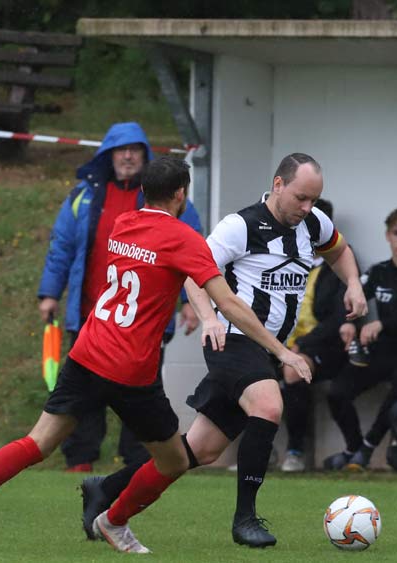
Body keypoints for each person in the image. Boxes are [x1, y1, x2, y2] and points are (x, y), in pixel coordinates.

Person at [0, 156, 312, 554]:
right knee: (173, 461)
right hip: (131, 371)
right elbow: (227, 302)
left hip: (87, 353)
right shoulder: (183, 238)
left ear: (142, 191)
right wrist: (280, 350)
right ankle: (114, 520)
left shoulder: (123, 224)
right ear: (180, 194)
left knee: (37, 442)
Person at [79, 153, 367, 548]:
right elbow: (194, 273)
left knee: (199, 450)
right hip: (231, 341)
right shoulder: (240, 226)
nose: (307, 208)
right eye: (301, 197)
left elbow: (339, 251)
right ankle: (245, 520)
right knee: (268, 406)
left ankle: (106, 489)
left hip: (264, 350)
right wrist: (209, 318)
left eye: (313, 200)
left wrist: (353, 284)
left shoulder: (313, 223)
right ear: (278, 185)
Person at [37, 122, 204, 472]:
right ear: (108, 156)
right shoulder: (84, 195)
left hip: (144, 326)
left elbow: (194, 253)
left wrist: (190, 303)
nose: (127, 156)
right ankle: (79, 463)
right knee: (81, 403)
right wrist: (50, 293)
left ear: (144, 156)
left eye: (134, 150)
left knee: (140, 402)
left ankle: (135, 469)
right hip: (89, 318)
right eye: (120, 150)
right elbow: (62, 246)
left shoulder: (170, 199)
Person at [323, 208, 397, 471]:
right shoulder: (378, 272)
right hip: (382, 352)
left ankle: (367, 449)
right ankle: (353, 446)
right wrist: (349, 322)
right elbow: (352, 298)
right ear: (388, 235)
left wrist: (382, 323)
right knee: (337, 391)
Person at [279, 199, 349, 472]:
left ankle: (295, 451)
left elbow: (338, 319)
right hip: (282, 343)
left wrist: (301, 344)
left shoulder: (340, 261)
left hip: (323, 347)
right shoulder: (285, 256)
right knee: (245, 370)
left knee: (293, 371)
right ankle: (258, 450)